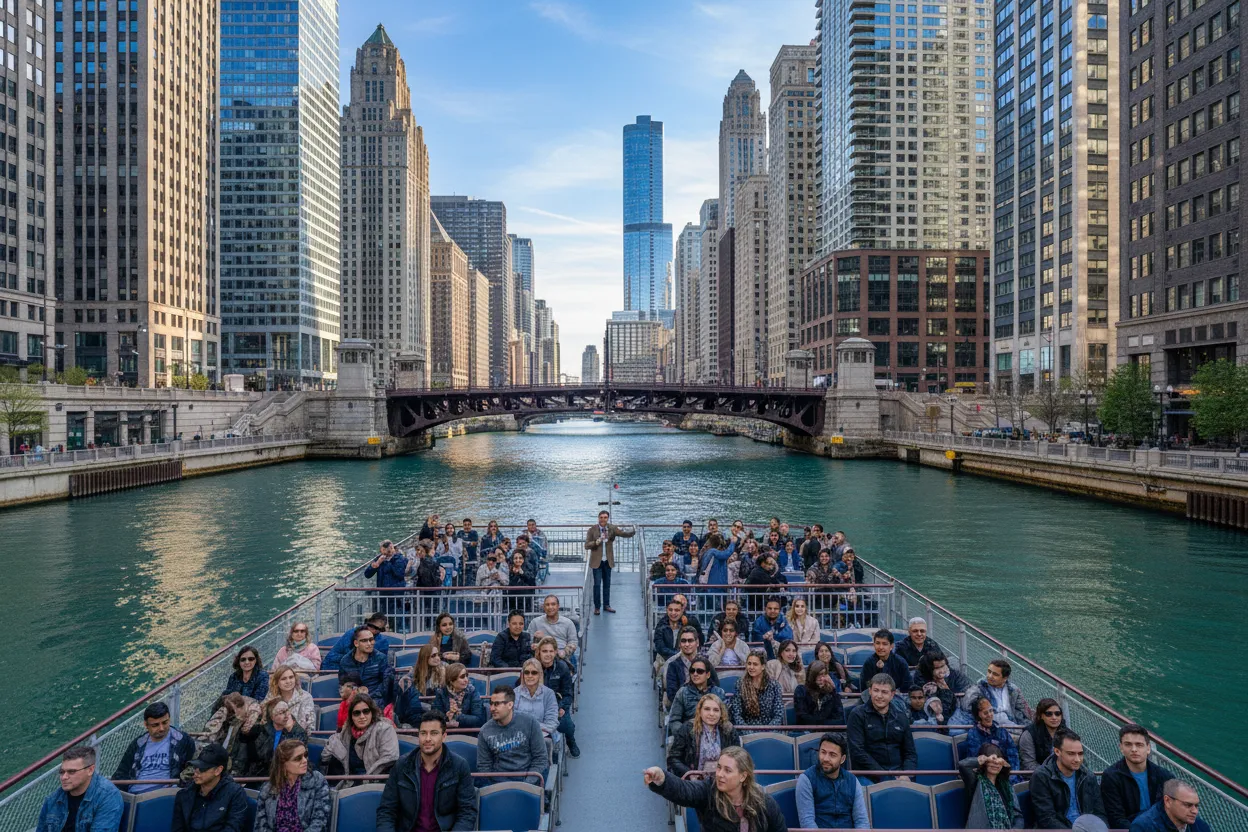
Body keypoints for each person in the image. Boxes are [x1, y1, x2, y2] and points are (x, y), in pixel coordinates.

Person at [376, 711, 478, 832]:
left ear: (444, 736)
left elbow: (467, 812)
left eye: (434, 733)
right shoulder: (402, 766)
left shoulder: (459, 766)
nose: (427, 738)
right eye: (423, 733)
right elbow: (386, 811)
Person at [644, 747, 788, 832]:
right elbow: (683, 790)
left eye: (727, 770)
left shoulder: (764, 802)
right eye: (719, 767)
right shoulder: (708, 792)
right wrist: (662, 778)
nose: (719, 774)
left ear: (743, 776)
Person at [1102, 724, 1176, 829]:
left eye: (1139, 745)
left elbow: (1170, 812)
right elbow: (1116, 818)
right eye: (1128, 744)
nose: (1134, 749)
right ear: (1121, 748)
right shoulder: (1111, 776)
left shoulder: (1165, 777)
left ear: (1148, 748)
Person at [1030, 728, 1107, 829]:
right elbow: (1047, 819)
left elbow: (1100, 813)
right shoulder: (1041, 777)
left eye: (1080, 753)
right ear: (1057, 751)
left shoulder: (1088, 776)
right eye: (1071, 754)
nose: (1077, 759)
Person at [112, 702, 197, 793]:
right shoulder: (138, 744)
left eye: (165, 722)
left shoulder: (182, 740)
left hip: (166, 793)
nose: (161, 728)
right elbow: (122, 772)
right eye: (155, 725)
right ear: (146, 725)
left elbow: (194, 763)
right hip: (134, 793)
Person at [847, 673, 918, 779]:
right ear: (870, 691)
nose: (879, 696)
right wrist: (884, 776)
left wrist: (907, 774)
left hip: (899, 774)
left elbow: (910, 753)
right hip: (868, 775)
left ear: (892, 694)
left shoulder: (901, 716)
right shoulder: (857, 714)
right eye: (876, 690)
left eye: (884, 692)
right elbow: (857, 752)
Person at [37, 746, 123, 832]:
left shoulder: (108, 796)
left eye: (71, 772)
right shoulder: (53, 799)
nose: (64, 777)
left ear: (90, 770)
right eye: (62, 772)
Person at [320, 692, 399, 784]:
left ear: (372, 712)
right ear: (351, 716)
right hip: (351, 784)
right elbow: (332, 744)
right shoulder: (346, 733)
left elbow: (389, 759)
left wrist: (366, 780)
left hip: (376, 784)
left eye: (366, 711)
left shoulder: (384, 729)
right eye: (357, 713)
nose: (362, 717)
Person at [253, 740, 331, 832]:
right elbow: (260, 826)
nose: (305, 761)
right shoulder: (268, 788)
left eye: (305, 755)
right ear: (283, 764)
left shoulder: (317, 780)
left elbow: (320, 822)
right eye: (298, 758)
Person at [477, 685, 548, 786]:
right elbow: (484, 766)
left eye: (497, 704)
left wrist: (527, 784)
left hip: (527, 780)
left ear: (510, 705)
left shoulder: (530, 723)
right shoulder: (485, 731)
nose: (492, 708)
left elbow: (540, 759)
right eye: (491, 703)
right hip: (498, 784)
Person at [796, 732, 869, 830]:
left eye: (832, 755)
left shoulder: (852, 781)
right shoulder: (806, 779)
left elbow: (861, 821)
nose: (826, 758)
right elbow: (807, 823)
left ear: (842, 759)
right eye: (823, 752)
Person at [171, 744, 249, 832]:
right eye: (195, 767)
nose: (196, 772)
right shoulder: (184, 794)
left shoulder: (235, 794)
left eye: (203, 768)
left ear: (218, 770)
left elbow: (233, 828)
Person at [667, 693, 741, 777]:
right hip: (693, 781)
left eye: (716, 710)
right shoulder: (687, 728)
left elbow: (737, 758)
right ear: (700, 711)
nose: (711, 714)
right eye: (707, 709)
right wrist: (690, 774)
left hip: (722, 779)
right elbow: (673, 758)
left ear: (721, 713)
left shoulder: (728, 730)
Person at [957, 742, 1024, 829]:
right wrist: (986, 758)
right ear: (983, 763)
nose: (995, 763)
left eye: (998, 759)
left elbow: (1018, 816)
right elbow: (963, 765)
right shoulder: (975, 780)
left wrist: (1015, 830)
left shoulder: (1006, 786)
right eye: (991, 761)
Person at [584, 509, 635, 614]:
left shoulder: (611, 528)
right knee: (597, 585)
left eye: (605, 517)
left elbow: (623, 534)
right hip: (596, 562)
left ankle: (607, 605)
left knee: (607, 585)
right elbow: (586, 545)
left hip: (607, 561)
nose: (603, 519)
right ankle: (597, 607)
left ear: (608, 518)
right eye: (601, 517)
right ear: (598, 518)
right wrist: (597, 541)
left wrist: (633, 531)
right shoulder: (592, 529)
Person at [535, 637, 580, 757]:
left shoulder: (562, 667)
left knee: (567, 726)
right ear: (539, 652)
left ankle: (571, 741)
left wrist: (562, 708)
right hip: (536, 706)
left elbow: (568, 694)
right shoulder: (532, 667)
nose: (548, 655)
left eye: (551, 651)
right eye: (544, 651)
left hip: (557, 706)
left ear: (555, 652)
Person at [244, 700, 309, 777]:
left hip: (288, 774)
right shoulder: (262, 730)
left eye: (287, 710)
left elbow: (293, 756)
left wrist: (290, 730)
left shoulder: (298, 731)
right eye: (281, 713)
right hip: (263, 774)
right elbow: (260, 758)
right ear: (272, 717)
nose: (286, 715)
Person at [201, 692, 261, 775]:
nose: (231, 713)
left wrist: (243, 722)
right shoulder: (229, 708)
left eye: (232, 710)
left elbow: (246, 729)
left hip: (244, 749)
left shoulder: (253, 710)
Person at [337, 624, 394, 705]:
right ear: (356, 643)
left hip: (376, 701)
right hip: (354, 700)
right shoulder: (345, 661)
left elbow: (386, 684)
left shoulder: (381, 658)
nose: (369, 643)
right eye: (364, 641)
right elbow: (343, 685)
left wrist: (369, 697)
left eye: (371, 640)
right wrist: (355, 693)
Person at [962, 659, 1031, 726]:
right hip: (990, 724)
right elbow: (966, 707)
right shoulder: (979, 688)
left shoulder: (1013, 690)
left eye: (995, 674)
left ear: (1005, 678)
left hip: (1011, 723)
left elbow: (1022, 711)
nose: (990, 676)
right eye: (989, 671)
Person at [666, 658, 725, 733]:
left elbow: (724, 719)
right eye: (692, 671)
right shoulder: (683, 692)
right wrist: (685, 734)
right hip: (688, 735)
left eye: (700, 671)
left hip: (714, 733)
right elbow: (674, 721)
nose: (695, 674)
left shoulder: (719, 692)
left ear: (708, 675)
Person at [727, 651, 784, 727]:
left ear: (763, 666)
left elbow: (778, 715)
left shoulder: (774, 685)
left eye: (755, 664)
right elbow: (736, 714)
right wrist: (749, 733)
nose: (751, 667)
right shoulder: (740, 684)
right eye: (749, 663)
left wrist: (767, 732)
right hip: (746, 731)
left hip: (770, 731)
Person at [1129, 780, 1210, 832]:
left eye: (1196, 805)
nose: (1195, 811)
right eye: (1187, 805)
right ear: (1168, 801)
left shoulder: (1201, 827)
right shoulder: (1143, 827)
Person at [966, 697, 1021, 770]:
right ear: (978, 715)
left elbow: (1013, 755)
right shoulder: (973, 734)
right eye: (985, 713)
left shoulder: (1002, 731)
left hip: (1005, 772)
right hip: (986, 773)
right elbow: (976, 759)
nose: (989, 715)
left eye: (991, 711)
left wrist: (1012, 773)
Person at [916, 649, 971, 723]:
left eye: (943, 666)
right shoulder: (921, 680)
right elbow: (940, 710)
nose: (942, 671)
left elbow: (966, 690)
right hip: (934, 717)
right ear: (929, 670)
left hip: (957, 712)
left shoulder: (954, 674)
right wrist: (942, 685)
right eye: (937, 668)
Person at [322, 613, 391, 671]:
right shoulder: (352, 634)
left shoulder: (383, 642)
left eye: (380, 629)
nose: (375, 631)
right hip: (336, 666)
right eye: (372, 627)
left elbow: (381, 662)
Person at [513, 658, 559, 739]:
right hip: (518, 734)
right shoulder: (515, 693)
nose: (530, 676)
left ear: (540, 675)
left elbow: (551, 722)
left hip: (542, 734)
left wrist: (533, 728)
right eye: (526, 672)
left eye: (534, 673)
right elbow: (512, 718)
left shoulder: (549, 694)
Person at [262, 665, 316, 733]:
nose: (288, 681)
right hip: (274, 736)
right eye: (283, 679)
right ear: (277, 682)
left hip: (297, 737)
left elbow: (310, 725)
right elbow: (264, 721)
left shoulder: (305, 697)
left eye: (291, 677)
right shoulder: (271, 697)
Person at [528, 594, 579, 666]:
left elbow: (573, 642)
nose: (550, 607)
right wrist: (534, 642)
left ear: (558, 606)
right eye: (547, 605)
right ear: (544, 607)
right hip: (542, 654)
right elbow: (528, 641)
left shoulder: (568, 623)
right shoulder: (535, 622)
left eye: (553, 604)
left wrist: (565, 652)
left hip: (561, 654)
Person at [432, 663, 487, 728]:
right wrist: (447, 717)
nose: (466, 680)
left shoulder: (472, 692)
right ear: (451, 680)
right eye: (462, 677)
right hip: (446, 732)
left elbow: (479, 720)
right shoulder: (441, 692)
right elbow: (435, 717)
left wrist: (457, 717)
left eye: (466, 676)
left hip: (468, 733)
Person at [1019, 698, 1066, 772]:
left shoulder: (1067, 734)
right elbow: (1029, 764)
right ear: (1041, 716)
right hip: (1037, 777)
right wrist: (1052, 774)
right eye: (1049, 714)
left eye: (1057, 713)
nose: (1054, 717)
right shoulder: (1029, 734)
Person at [794, 661, 846, 726]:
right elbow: (803, 719)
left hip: (828, 732)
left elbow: (840, 720)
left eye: (824, 674)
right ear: (811, 676)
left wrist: (833, 689)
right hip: (807, 732)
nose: (821, 678)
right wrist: (823, 724)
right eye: (818, 675)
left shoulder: (831, 693)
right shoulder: (801, 690)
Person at [663, 626, 704, 704]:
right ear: (679, 644)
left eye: (690, 641)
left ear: (697, 643)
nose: (687, 644)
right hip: (682, 707)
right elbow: (672, 694)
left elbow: (714, 686)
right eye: (683, 641)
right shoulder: (673, 665)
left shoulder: (705, 663)